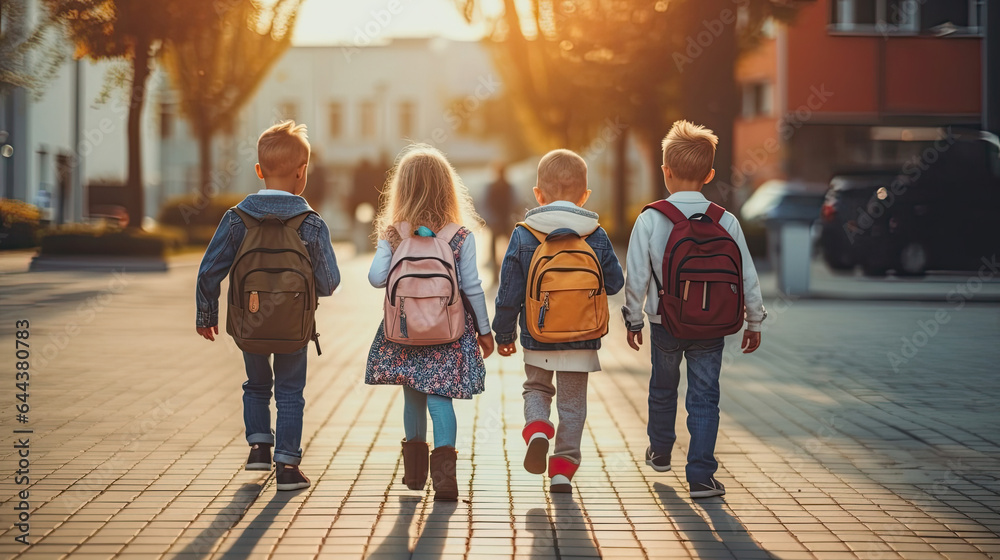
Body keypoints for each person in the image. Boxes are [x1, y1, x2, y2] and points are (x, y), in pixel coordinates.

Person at [622, 120, 765, 499]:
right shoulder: (726, 220)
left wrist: (633, 318)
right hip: (712, 327)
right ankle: (701, 475)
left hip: (665, 323)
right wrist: (754, 320)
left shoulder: (651, 218)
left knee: (663, 388)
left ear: (666, 171)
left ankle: (661, 451)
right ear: (710, 174)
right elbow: (746, 274)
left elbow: (636, 275)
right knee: (705, 397)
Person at [195, 121, 340, 491]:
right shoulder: (310, 223)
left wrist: (206, 315)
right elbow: (329, 282)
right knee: (291, 392)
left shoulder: (237, 218)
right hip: (294, 328)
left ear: (259, 171)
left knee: (256, 385)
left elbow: (210, 270)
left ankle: (259, 447)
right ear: (302, 172)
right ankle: (288, 468)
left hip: (251, 321)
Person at [365, 144, 495, 502]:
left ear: (401, 189)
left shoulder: (394, 234)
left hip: (404, 334)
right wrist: (485, 332)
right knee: (441, 402)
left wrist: (390, 248)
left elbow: (377, 279)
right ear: (448, 188)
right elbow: (471, 287)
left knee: (413, 401)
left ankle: (414, 475)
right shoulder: (459, 236)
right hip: (447, 334)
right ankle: (446, 480)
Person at [492, 149, 624, 493]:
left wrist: (503, 333)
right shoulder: (595, 234)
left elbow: (509, 291)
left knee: (536, 388)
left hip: (538, 335)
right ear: (584, 195)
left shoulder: (525, 234)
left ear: (538, 194)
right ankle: (563, 469)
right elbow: (614, 283)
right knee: (572, 403)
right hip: (583, 337)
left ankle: (537, 429)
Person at [485, 163, 516, 273]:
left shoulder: (493, 186)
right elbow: (513, 204)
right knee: (512, 246)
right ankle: (511, 269)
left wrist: (493, 219)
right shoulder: (508, 186)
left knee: (495, 247)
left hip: (499, 221)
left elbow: (488, 203)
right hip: (504, 220)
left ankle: (496, 270)